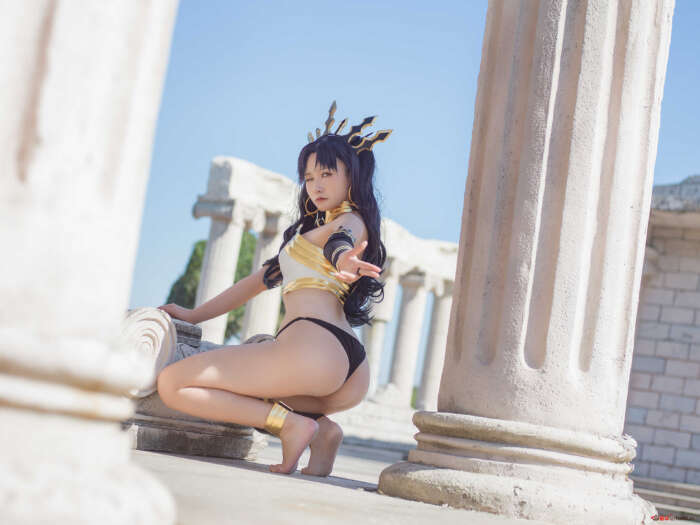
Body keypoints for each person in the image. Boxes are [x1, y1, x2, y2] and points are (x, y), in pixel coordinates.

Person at [156, 101, 390, 476]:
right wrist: (192, 315)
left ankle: (291, 425)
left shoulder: (349, 220)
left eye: (327, 173)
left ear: (353, 176)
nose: (316, 185)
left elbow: (342, 242)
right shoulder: (309, 234)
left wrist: (343, 259)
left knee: (173, 383)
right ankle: (322, 431)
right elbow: (250, 285)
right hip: (348, 369)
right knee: (255, 353)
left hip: (313, 352)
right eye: (309, 177)